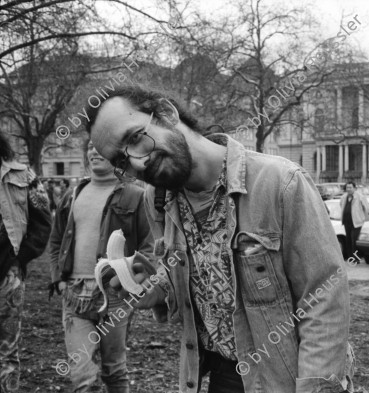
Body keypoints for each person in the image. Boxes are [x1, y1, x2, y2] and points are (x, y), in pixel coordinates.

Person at [86, 86, 353, 393]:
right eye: (120, 161)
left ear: (167, 113)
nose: (137, 163)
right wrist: (158, 289)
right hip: (217, 375)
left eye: (134, 138)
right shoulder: (157, 199)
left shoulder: (280, 182)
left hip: (285, 376)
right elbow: (199, 280)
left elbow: (323, 300)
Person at [49, 140, 153, 393]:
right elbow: (55, 240)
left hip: (115, 296)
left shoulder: (135, 195)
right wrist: (59, 281)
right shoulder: (73, 194)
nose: (94, 152)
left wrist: (132, 284)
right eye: (90, 148)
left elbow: (149, 246)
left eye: (100, 147)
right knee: (82, 375)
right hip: (74, 295)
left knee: (114, 371)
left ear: (117, 156)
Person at [0, 132, 52, 392]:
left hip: (8, 275)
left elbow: (43, 221)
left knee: (8, 348)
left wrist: (20, 257)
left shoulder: (25, 176)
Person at [340, 181, 369, 262]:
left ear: (355, 188)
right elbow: (341, 205)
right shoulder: (344, 197)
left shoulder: (360, 197)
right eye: (347, 188)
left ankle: (356, 258)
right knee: (348, 240)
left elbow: (367, 208)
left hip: (356, 222)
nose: (348, 189)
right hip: (347, 222)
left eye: (350, 187)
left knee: (354, 241)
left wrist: (363, 218)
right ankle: (351, 257)